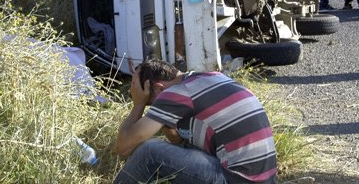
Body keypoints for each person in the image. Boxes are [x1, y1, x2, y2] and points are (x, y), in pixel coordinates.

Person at [114, 59, 277, 183]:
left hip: (236, 179)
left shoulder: (177, 93)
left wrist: (138, 104)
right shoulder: (210, 78)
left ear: (159, 88)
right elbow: (179, 142)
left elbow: (123, 147)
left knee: (149, 151)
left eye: (152, 104)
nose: (153, 108)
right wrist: (165, 121)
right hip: (262, 179)